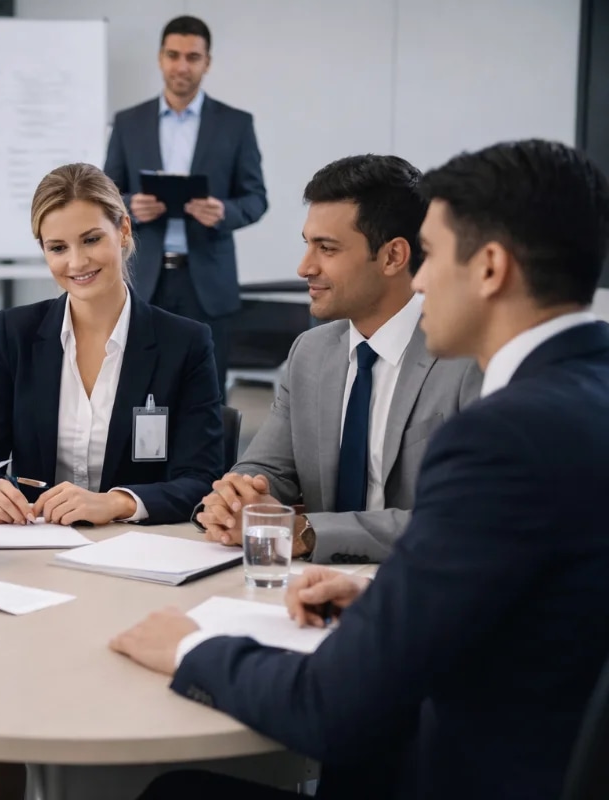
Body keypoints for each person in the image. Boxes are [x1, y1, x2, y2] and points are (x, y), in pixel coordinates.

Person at [111, 139, 609, 799]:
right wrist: (384, 600)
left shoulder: (503, 433)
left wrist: (188, 648)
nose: (423, 281)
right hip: (528, 735)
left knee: (172, 794)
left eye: (433, 255)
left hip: (460, 768)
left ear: (489, 268)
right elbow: (545, 593)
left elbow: (332, 708)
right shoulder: (587, 392)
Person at [193, 155, 481, 564]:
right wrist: (237, 500)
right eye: (307, 244)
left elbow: (464, 517)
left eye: (326, 248)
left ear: (393, 257)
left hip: (421, 584)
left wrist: (309, 533)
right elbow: (265, 470)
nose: (304, 267)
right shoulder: (310, 352)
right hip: (308, 588)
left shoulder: (468, 358)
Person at [0, 162, 224, 527]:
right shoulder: (15, 333)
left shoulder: (185, 342)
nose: (77, 262)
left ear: (123, 230)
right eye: (58, 248)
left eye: (91, 239)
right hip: (35, 546)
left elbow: (201, 480)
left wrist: (117, 503)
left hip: (138, 550)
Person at [104, 14, 268, 400]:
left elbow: (256, 198)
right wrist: (129, 206)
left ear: (206, 62)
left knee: (207, 391)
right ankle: (141, 463)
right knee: (140, 387)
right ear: (160, 58)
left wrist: (224, 212)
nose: (182, 66)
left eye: (192, 57)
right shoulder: (129, 123)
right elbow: (106, 194)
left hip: (207, 281)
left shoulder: (235, 124)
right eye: (173, 55)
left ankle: (212, 464)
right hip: (144, 278)